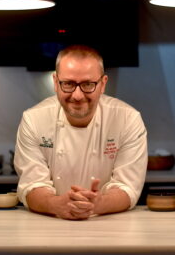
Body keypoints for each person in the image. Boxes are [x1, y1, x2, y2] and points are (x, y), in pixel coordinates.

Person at [14, 45, 148, 220]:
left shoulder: (127, 120)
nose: (77, 96)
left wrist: (98, 203)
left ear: (102, 84)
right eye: (68, 83)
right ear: (55, 82)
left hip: (108, 223)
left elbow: (127, 187)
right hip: (52, 221)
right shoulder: (33, 120)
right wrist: (56, 204)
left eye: (87, 84)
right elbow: (32, 185)